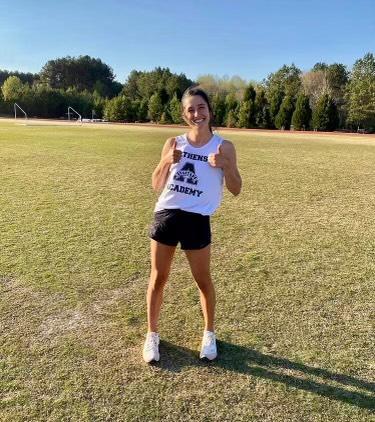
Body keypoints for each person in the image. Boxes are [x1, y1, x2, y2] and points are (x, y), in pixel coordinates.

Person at [143, 86, 242, 363]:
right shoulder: (173, 143)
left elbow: (236, 188)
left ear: (209, 111)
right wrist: (165, 160)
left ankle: (209, 334)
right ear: (184, 114)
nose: (196, 113)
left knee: (202, 280)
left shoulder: (224, 146)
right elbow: (156, 184)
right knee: (158, 278)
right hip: (167, 215)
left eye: (201, 108)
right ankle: (152, 335)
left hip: (197, 219)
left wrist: (226, 166)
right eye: (190, 109)